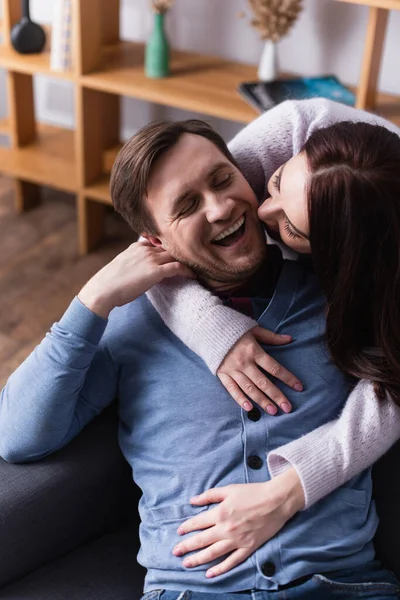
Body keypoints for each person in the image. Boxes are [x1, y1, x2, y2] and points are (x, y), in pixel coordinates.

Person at [1, 109, 400, 600]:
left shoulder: (339, 290)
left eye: (222, 179)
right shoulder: (129, 322)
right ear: (153, 240)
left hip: (343, 585)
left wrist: (291, 489)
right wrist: (92, 300)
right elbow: (18, 437)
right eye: (187, 205)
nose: (220, 208)